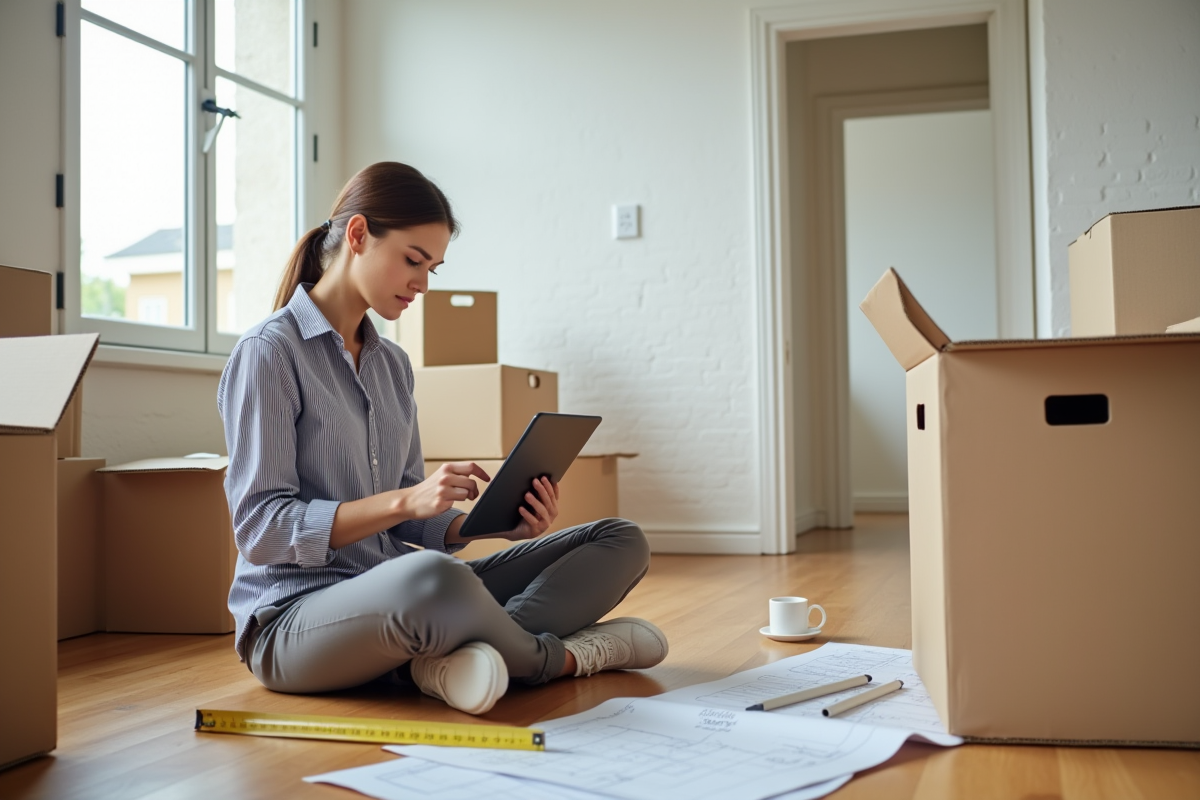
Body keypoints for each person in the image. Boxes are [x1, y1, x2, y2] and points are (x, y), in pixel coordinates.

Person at [217, 162, 667, 715]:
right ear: (358, 236)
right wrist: (406, 499)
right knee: (434, 578)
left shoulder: (392, 366)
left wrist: (482, 523)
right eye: (413, 260)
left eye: (433, 267)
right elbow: (261, 529)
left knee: (620, 540)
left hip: (400, 592)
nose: (423, 284)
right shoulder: (270, 353)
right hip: (293, 621)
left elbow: (406, 513)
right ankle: (563, 659)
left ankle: (450, 660)